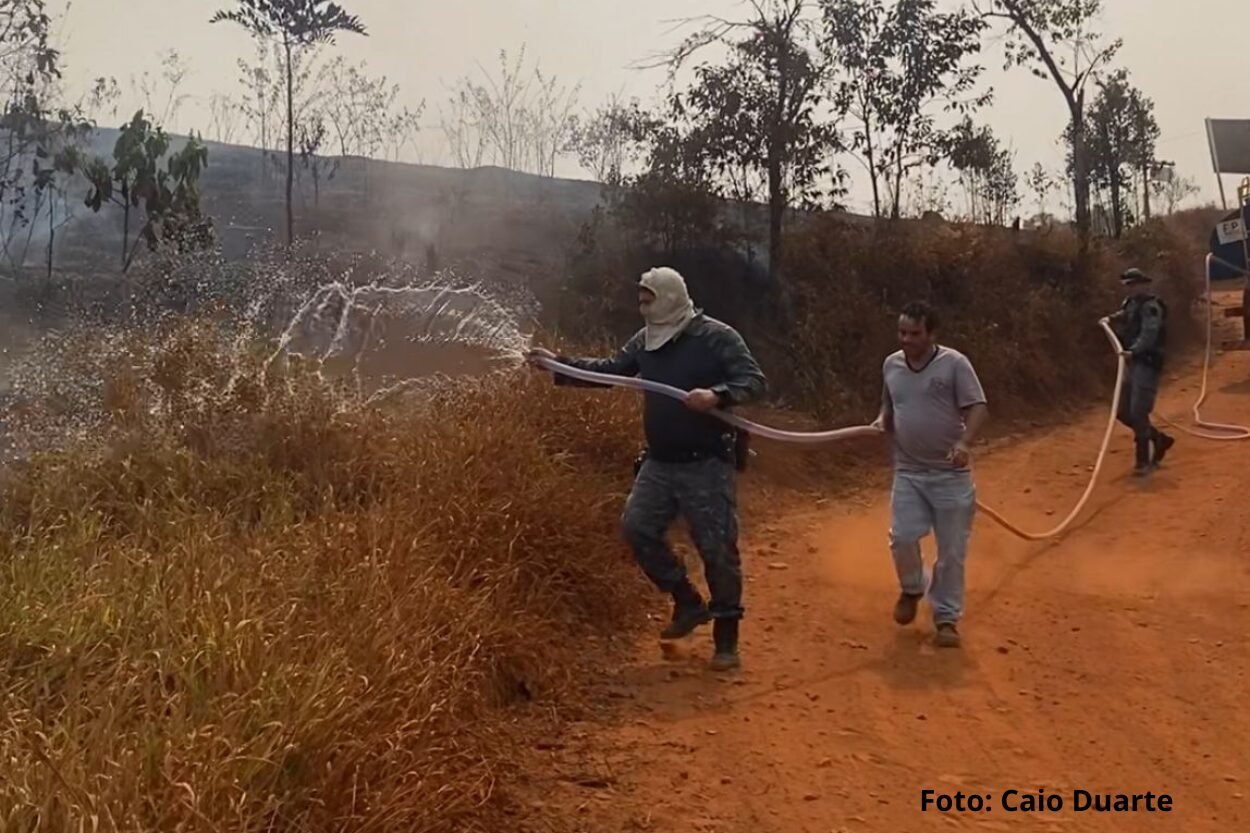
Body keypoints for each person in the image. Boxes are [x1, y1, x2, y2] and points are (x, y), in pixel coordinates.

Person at [526, 266, 767, 671]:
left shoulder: (715, 337)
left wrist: (717, 395)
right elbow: (613, 372)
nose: (641, 306)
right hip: (660, 461)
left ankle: (727, 637)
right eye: (640, 298)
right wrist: (560, 365)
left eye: (648, 298)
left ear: (670, 296)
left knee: (717, 549)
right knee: (636, 528)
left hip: (706, 462)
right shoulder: (646, 341)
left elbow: (754, 380)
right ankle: (687, 602)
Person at [871, 301, 988, 649]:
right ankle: (911, 587)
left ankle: (947, 618)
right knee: (903, 536)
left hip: (950, 476)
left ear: (932, 334)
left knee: (951, 552)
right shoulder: (891, 364)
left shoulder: (954, 364)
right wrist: (882, 419)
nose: (906, 339)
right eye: (902, 333)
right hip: (908, 469)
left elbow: (978, 407)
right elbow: (888, 403)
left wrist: (965, 443)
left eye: (915, 333)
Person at [1106, 267, 1174, 477]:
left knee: (1138, 410)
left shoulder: (1151, 307)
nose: (1130, 289)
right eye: (1128, 285)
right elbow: (1125, 316)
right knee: (1122, 411)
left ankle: (1143, 460)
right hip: (1131, 363)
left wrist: (1133, 351)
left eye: (1133, 285)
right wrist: (1110, 319)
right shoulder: (1130, 304)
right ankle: (1158, 438)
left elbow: (1149, 333)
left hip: (1146, 362)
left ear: (1144, 285)